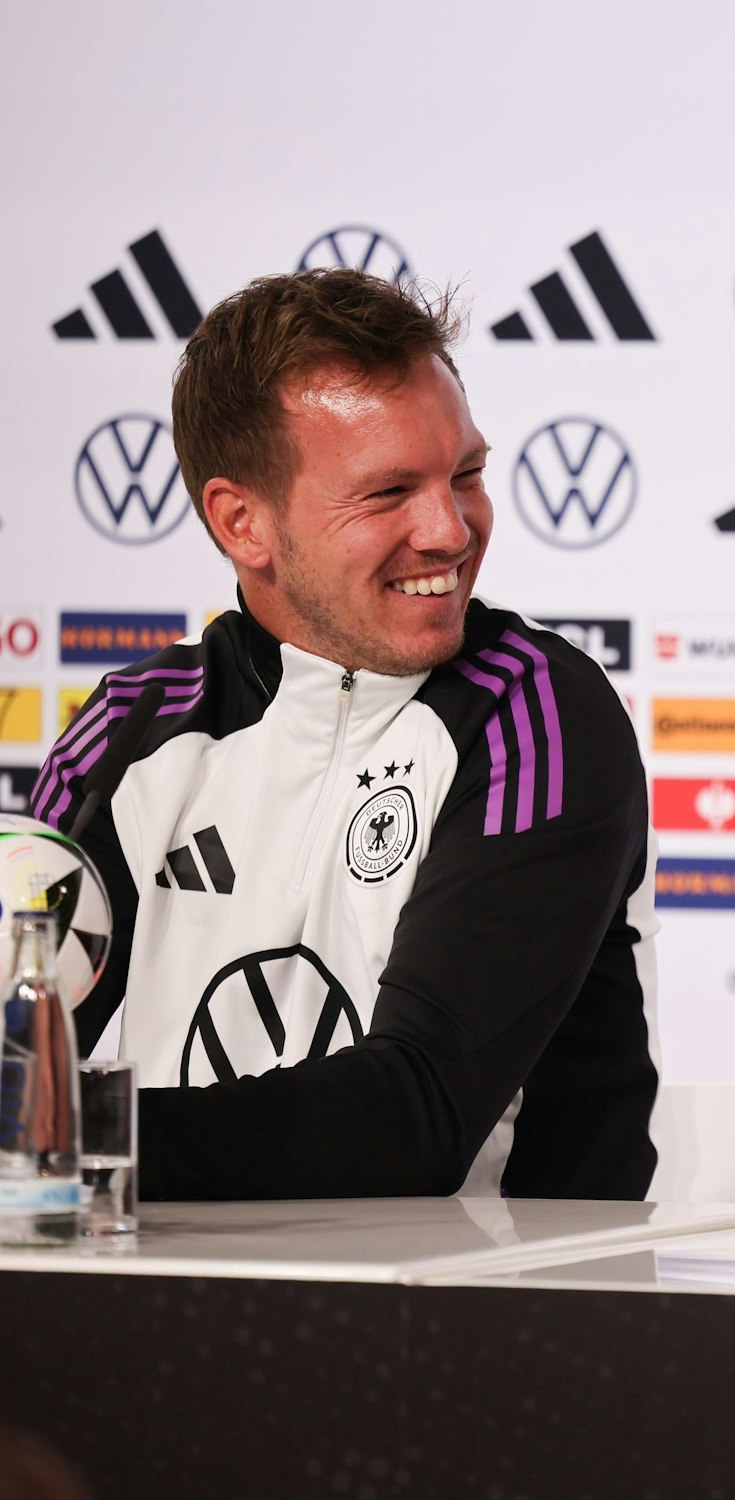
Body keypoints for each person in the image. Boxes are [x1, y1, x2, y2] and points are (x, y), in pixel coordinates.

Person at [31, 269, 661, 1200]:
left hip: (495, 1322)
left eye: (467, 475)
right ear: (243, 522)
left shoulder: (537, 713)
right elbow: (24, 1047)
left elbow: (417, 1120)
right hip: (165, 1312)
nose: (450, 529)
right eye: (388, 492)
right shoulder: (134, 728)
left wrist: (74, 1144)